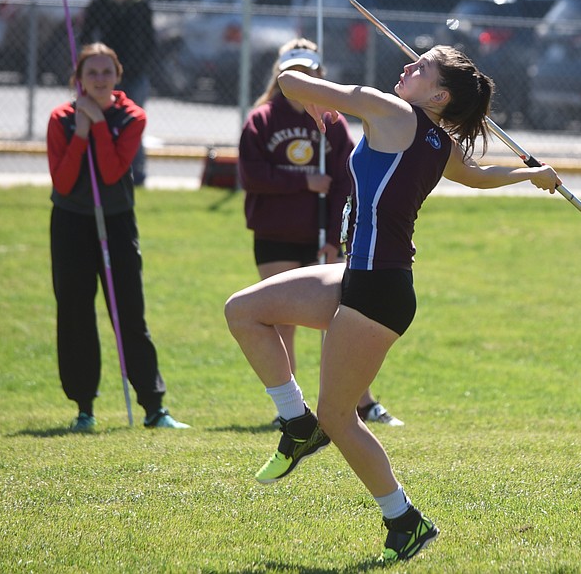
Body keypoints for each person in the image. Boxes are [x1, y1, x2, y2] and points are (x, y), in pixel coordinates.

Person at [223, 45, 560, 563]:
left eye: (421, 66)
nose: (408, 67)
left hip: (379, 289)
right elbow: (475, 175)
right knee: (244, 310)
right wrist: (528, 175)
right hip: (357, 275)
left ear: (439, 95)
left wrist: (308, 90)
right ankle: (294, 421)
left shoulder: (391, 110)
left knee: (339, 417)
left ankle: (404, 520)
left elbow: (289, 80)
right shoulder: (437, 140)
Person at [239, 38, 403, 428]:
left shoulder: (332, 123)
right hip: (276, 233)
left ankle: (360, 403)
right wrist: (303, 183)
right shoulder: (261, 120)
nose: (302, 78)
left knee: (342, 320)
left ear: (320, 76)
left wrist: (335, 236)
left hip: (323, 237)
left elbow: (347, 182)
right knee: (281, 320)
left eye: (309, 72)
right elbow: (251, 176)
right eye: (293, 72)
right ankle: (290, 410)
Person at [48, 43, 188, 432]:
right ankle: (84, 408)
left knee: (129, 313)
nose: (99, 79)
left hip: (116, 223)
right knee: (74, 313)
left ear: (118, 75)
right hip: (71, 222)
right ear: (78, 78)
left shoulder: (132, 117)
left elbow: (110, 173)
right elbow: (61, 180)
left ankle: (154, 407)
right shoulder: (60, 118)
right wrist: (80, 132)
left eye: (106, 72)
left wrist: (97, 124)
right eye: (91, 73)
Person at [80, 0, 156, 186]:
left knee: (133, 122)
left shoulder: (141, 5)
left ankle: (136, 172)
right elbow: (85, 36)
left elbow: (150, 41)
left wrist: (142, 66)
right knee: (100, 120)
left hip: (134, 74)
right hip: (105, 75)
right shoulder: (101, 3)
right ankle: (99, 169)